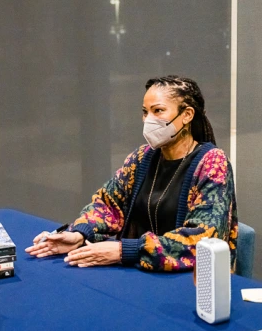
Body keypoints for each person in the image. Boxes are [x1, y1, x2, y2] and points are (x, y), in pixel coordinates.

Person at [26, 76, 238, 272]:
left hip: (186, 282)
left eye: (158, 111)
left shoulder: (211, 163)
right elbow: (108, 204)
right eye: (145, 112)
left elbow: (202, 241)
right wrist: (79, 234)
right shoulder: (142, 158)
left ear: (187, 115)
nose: (148, 120)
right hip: (136, 273)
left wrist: (123, 250)